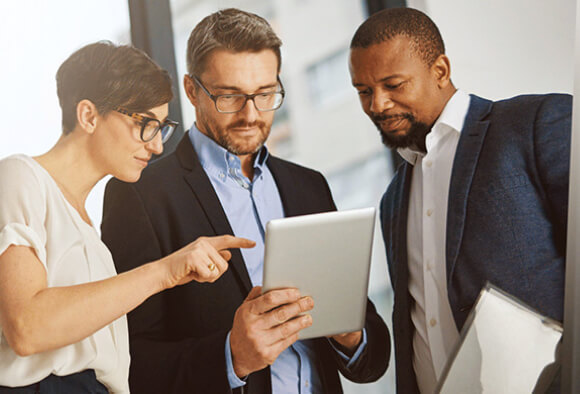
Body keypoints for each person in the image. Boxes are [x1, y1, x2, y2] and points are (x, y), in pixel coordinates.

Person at [101, 8, 390, 394]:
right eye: (229, 97)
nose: (251, 115)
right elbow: (127, 363)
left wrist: (351, 337)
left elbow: (373, 355)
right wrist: (231, 356)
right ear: (191, 91)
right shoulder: (140, 195)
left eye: (266, 94)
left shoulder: (309, 187)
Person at [0, 41, 254, 394]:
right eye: (146, 124)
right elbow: (27, 327)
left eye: (162, 128)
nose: (157, 145)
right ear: (89, 116)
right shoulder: (19, 176)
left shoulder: (90, 232)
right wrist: (164, 272)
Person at [348, 7, 571, 394]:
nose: (377, 105)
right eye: (364, 91)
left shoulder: (536, 124)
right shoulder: (392, 200)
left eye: (393, 84)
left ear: (440, 71)